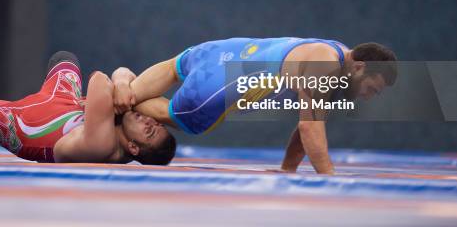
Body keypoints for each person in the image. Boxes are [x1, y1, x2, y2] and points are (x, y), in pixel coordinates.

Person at [112, 37, 397, 174]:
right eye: (372, 89)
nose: (368, 97)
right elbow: (310, 128)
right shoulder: (326, 69)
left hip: (222, 50)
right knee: (181, 119)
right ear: (359, 67)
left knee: (175, 67)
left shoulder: (335, 52)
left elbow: (309, 129)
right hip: (222, 83)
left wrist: (288, 169)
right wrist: (331, 182)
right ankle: (111, 100)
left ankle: (118, 87)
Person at [0, 52, 177, 165]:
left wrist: (121, 84)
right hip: (64, 102)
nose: (151, 123)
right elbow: (122, 73)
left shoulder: (102, 144)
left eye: (150, 132)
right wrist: (125, 85)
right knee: (64, 57)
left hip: (18, 124)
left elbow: (99, 80)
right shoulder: (118, 121)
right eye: (157, 124)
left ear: (133, 148)